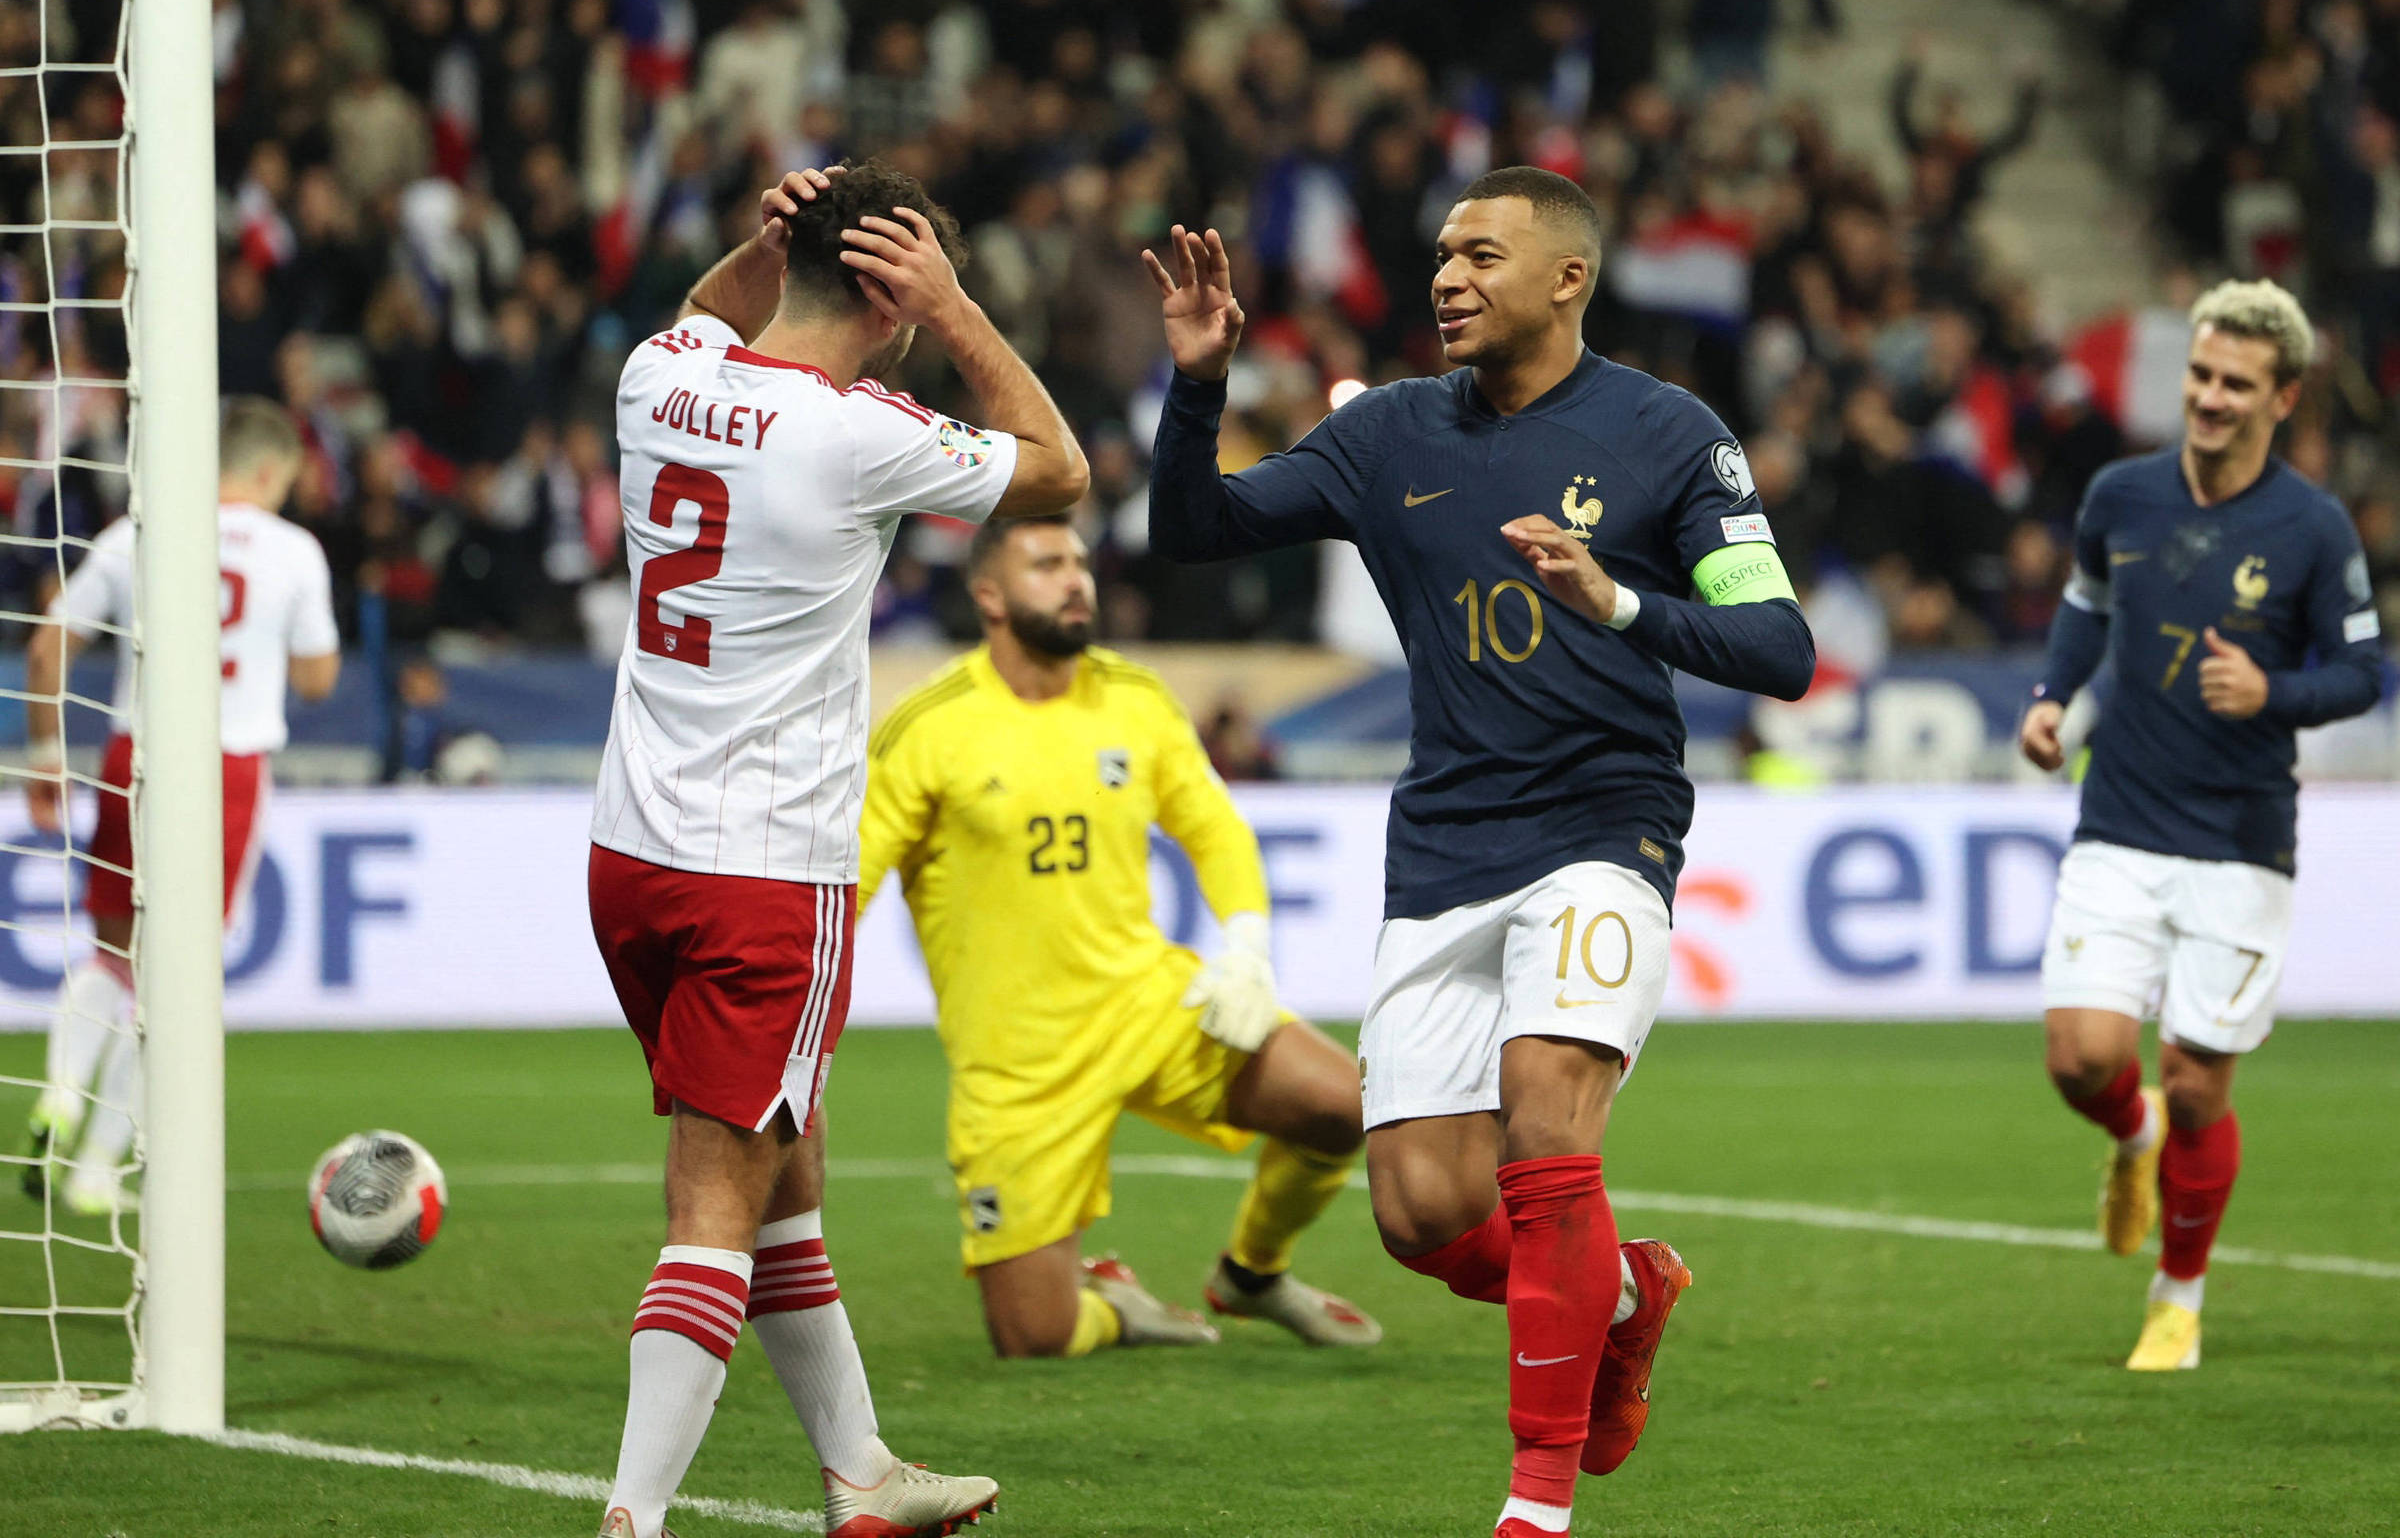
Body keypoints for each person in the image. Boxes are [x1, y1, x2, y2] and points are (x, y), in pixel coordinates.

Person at [1143, 168, 1817, 1538]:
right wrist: (1201, 385)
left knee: (1545, 1134)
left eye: (1483, 255)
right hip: (1446, 840)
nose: (1448, 276)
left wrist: (1620, 599)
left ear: (1568, 279)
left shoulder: (1668, 434)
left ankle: (1535, 1507)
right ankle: (1626, 1296)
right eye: (1442, 252)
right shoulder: (1389, 433)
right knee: (1421, 1215)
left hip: (1603, 832)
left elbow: (1781, 651)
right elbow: (1188, 533)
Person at [585, 160, 1087, 1538]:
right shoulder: (857, 431)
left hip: (632, 857)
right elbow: (1062, 473)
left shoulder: (657, 371)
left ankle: (862, 1475)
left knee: (780, 1167)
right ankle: (630, 1521)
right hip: (764, 876)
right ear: (894, 298)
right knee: (715, 1205)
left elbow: (706, 304)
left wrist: (767, 245)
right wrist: (963, 310)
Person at [858, 514, 1381, 1360]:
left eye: (1078, 562)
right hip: (1018, 1063)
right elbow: (849, 883)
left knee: (1345, 1104)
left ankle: (1252, 1271)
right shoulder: (930, 726)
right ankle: (1116, 1308)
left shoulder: (1133, 700)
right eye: (1046, 564)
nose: (1075, 579)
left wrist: (1245, 948)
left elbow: (1215, 831)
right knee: (1034, 1335)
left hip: (1145, 1003)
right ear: (988, 593)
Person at [2020, 280, 2382, 1372]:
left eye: (2235, 384)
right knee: (2083, 1060)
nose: (2210, 399)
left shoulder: (2313, 528)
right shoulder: (2121, 495)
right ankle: (2133, 1141)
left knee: (2195, 1078)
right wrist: (2052, 697)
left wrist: (2269, 693)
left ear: (2284, 395)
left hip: (2239, 836)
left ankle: (2178, 1296)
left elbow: (2365, 670)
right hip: (2120, 817)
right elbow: (2086, 603)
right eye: (2201, 376)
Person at [21, 398, 340, 1215]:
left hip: (137, 759)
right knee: (178, 985)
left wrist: (48, 758)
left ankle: (59, 1086)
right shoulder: (294, 551)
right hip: (225, 768)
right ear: (271, 471)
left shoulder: (138, 531)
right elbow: (316, 681)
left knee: (111, 951)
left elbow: (45, 642)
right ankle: (96, 1168)